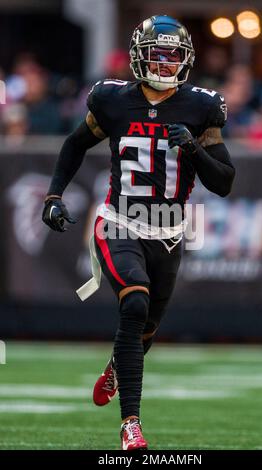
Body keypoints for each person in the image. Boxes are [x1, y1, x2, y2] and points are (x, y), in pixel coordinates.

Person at [42, 15, 235, 450]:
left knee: (144, 329)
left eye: (173, 58)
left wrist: (192, 148)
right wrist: (53, 195)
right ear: (138, 56)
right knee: (134, 305)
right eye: (157, 55)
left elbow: (224, 181)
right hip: (119, 221)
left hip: (168, 233)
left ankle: (117, 364)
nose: (165, 66)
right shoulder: (112, 100)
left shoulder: (201, 107)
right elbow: (75, 144)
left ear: (185, 62)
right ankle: (131, 424)